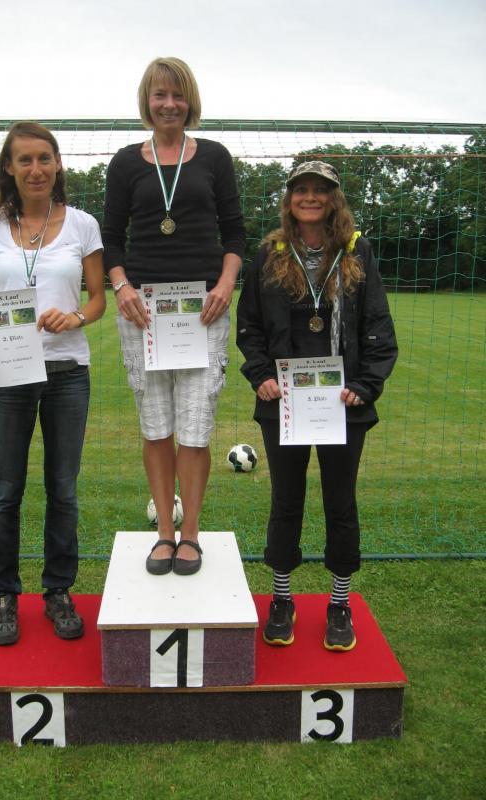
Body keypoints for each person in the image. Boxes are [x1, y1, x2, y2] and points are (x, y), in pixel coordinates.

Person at [236, 161, 397, 651]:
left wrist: (365, 384)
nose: (310, 197)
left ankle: (339, 603)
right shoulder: (269, 253)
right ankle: (282, 598)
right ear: (289, 199)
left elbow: (377, 323)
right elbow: (250, 324)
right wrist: (261, 375)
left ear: (333, 199)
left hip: (342, 402)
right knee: (286, 501)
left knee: (340, 503)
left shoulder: (357, 250)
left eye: (320, 190)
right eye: (301, 189)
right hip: (284, 400)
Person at [0, 121, 105, 645]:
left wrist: (76, 317)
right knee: (6, 490)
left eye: (44, 158)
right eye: (25, 160)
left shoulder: (83, 224)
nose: (36, 169)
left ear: (58, 163)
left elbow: (97, 299)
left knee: (62, 490)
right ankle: (4, 595)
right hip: (9, 376)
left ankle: (58, 590)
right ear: (10, 167)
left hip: (67, 374)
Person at [102, 57, 245, 576]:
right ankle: (164, 532)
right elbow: (110, 238)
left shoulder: (214, 157)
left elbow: (235, 232)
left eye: (178, 95)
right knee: (156, 426)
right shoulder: (125, 163)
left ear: (190, 101)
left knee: (196, 428)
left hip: (203, 312)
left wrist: (225, 284)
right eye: (160, 95)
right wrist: (121, 286)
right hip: (143, 313)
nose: (169, 104)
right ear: (147, 100)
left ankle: (191, 537)